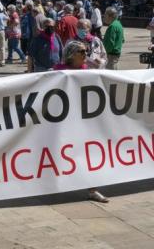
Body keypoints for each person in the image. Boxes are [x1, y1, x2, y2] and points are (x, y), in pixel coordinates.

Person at [53, 41, 108, 203]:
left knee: (89, 154)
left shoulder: (87, 70)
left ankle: (93, 189)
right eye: (82, 52)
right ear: (72, 54)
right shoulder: (57, 72)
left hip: (84, 123)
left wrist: (99, 69)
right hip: (63, 123)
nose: (86, 54)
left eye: (86, 51)